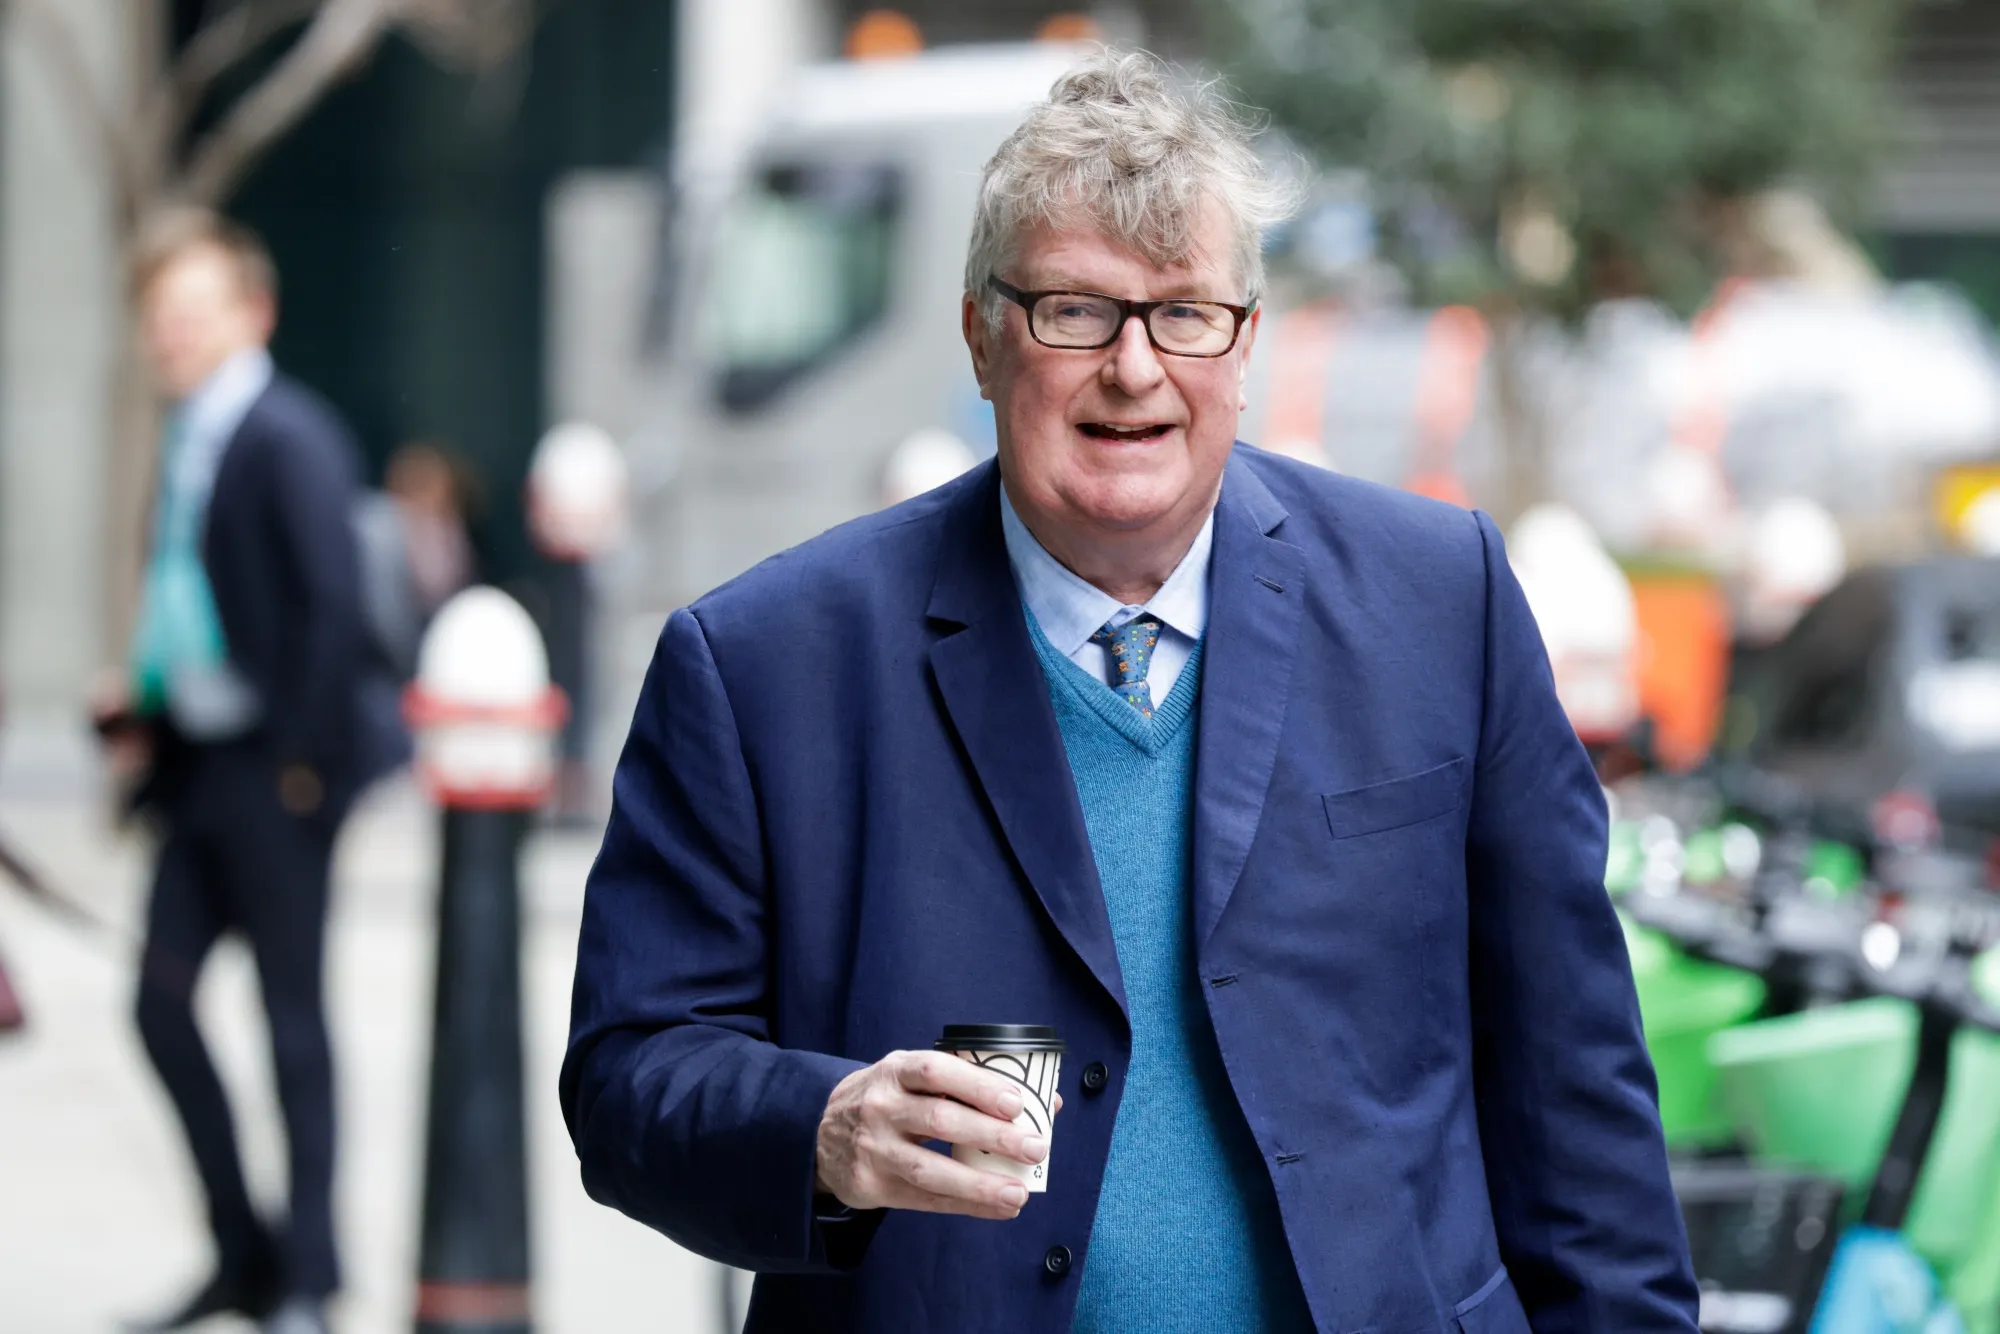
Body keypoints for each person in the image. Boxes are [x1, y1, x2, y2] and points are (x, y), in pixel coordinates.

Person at [562, 51, 1698, 1334]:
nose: (1134, 368)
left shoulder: (1441, 603)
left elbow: (1574, 1093)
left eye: (1182, 313)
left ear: (1244, 343)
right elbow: (629, 1073)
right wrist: (823, 1129)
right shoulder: (763, 662)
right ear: (982, 335)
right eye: (1074, 311)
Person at [102, 211, 404, 1334]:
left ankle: (310, 1278)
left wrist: (299, 773)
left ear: (251, 315)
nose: (171, 335)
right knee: (159, 1001)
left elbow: (330, 614)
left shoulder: (287, 433)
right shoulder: (189, 439)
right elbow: (197, 615)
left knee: (291, 1024)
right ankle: (244, 1247)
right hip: (203, 769)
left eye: (193, 313)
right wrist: (140, 713)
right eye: (159, 317)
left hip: (280, 778)